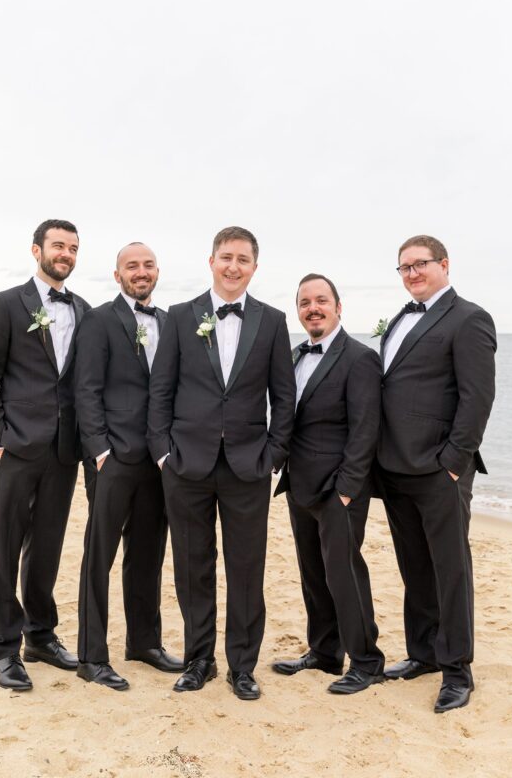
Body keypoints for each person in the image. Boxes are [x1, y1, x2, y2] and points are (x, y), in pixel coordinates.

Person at [147, 226, 296, 700]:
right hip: (186, 464)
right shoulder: (180, 316)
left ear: (254, 267)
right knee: (193, 567)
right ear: (211, 261)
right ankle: (198, 661)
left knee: (247, 569)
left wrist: (273, 454)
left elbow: (284, 398)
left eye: (243, 259)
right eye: (226, 257)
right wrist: (163, 452)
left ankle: (243, 667)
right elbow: (161, 390)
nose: (234, 266)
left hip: (248, 466)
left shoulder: (271, 322)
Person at [375, 235, 496, 713]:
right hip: (395, 467)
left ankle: (457, 669)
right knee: (415, 567)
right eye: (403, 267)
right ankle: (422, 654)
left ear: (444, 264)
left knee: (450, 569)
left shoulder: (469, 319)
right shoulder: (399, 320)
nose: (411, 274)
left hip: (438, 470)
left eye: (419, 265)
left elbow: (477, 398)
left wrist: (454, 461)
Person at [0, 219, 90, 691]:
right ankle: (4, 645)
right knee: (5, 545)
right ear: (36, 249)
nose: (65, 253)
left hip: (64, 451)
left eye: (73, 248)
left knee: (47, 547)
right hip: (15, 447)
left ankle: (40, 635)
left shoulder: (84, 310)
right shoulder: (6, 305)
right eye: (58, 245)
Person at [74, 242, 183, 691]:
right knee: (99, 557)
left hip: (158, 462)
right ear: (117, 275)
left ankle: (143, 642)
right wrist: (99, 450)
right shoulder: (99, 320)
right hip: (113, 458)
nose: (141, 272)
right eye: (132, 266)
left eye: (148, 265)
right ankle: (91, 657)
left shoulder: (172, 322)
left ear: (158, 271)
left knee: (148, 555)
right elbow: (86, 389)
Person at [273, 274, 385, 693]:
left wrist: (347, 487)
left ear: (339, 307)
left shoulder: (359, 358)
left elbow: (365, 429)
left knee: (344, 573)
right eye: (305, 302)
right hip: (299, 483)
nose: (313, 308)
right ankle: (324, 652)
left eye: (321, 300)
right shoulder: (295, 354)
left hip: (340, 487)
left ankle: (367, 659)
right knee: (312, 574)